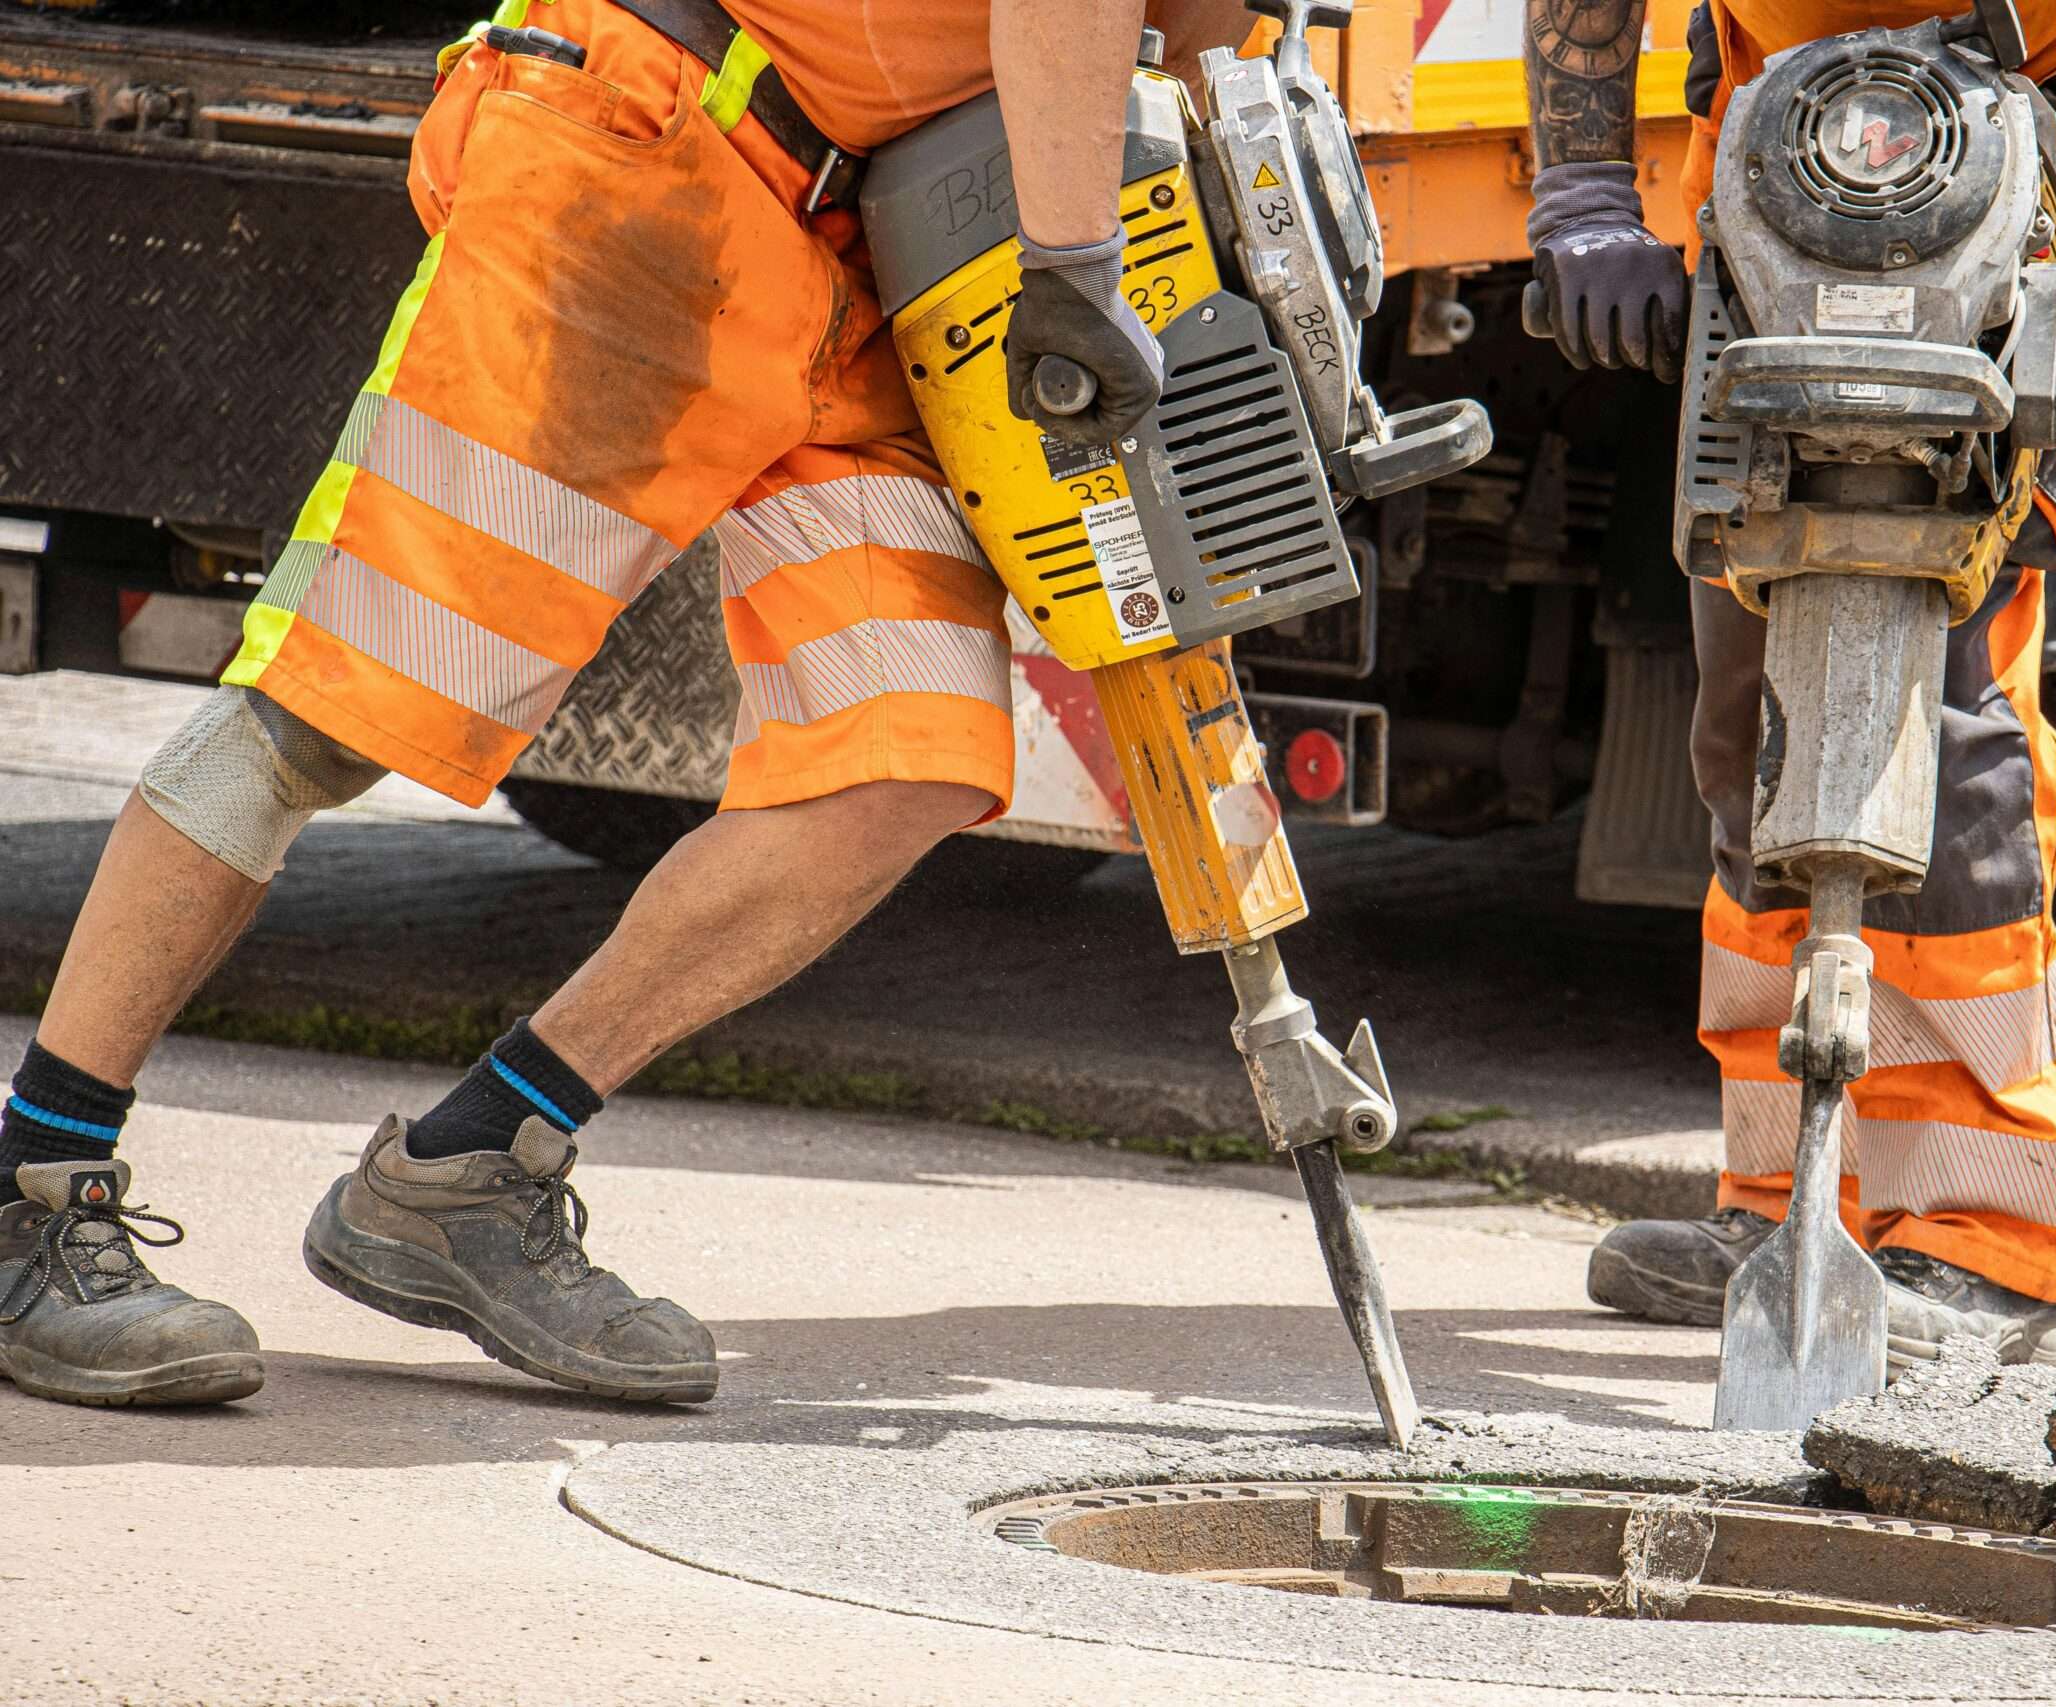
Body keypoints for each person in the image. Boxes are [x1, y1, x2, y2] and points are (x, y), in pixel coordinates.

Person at [0, 0, 1245, 1408]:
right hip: (655, 145)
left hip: (876, 239)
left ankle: (468, 1170)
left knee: (903, 756)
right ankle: (29, 1186)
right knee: (331, 708)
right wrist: (1081, 262)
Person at [1523, 0, 2056, 1367]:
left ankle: (1983, 1237)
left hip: (2050, 128)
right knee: (1752, 686)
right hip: (1787, 125)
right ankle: (1785, 1200)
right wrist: (1584, 193)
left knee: (1941, 685)